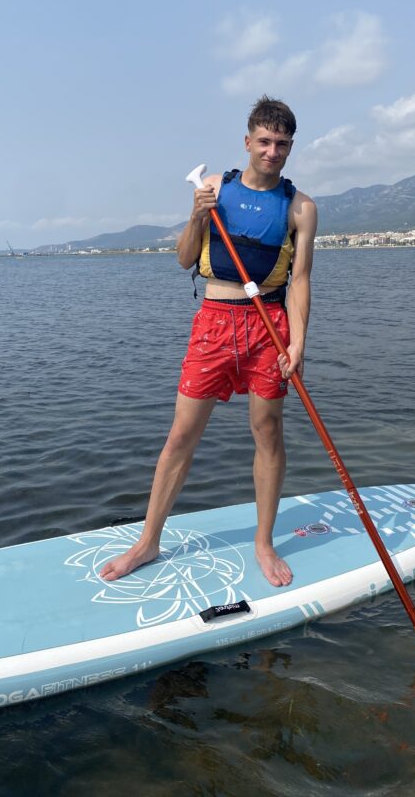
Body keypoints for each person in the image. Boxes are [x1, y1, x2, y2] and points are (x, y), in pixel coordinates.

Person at [100, 96, 318, 587]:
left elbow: (301, 280)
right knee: (181, 435)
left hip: (269, 325)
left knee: (268, 432)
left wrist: (298, 343)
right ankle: (148, 541)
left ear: (290, 147)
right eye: (264, 141)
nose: (272, 152)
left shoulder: (301, 208)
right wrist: (198, 217)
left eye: (282, 144)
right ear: (247, 142)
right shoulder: (214, 188)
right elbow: (184, 260)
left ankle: (263, 542)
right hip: (214, 323)